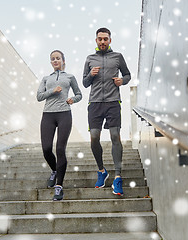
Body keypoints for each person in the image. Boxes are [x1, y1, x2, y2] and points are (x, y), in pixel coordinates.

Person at [82, 27, 131, 196]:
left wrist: (121, 81)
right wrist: (91, 75)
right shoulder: (90, 59)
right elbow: (85, 83)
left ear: (110, 40)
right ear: (96, 40)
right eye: (100, 39)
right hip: (95, 103)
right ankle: (102, 171)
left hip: (112, 102)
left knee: (115, 136)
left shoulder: (117, 57)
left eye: (105, 39)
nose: (102, 41)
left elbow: (128, 75)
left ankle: (117, 176)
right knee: (94, 138)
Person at [37, 50, 82, 201]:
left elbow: (79, 94)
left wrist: (73, 100)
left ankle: (59, 186)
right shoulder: (45, 78)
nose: (55, 61)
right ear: (50, 62)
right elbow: (39, 96)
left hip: (64, 114)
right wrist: (52, 90)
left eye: (58, 58)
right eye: (52, 59)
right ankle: (55, 170)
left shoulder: (70, 77)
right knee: (46, 149)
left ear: (63, 60)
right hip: (48, 115)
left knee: (60, 148)